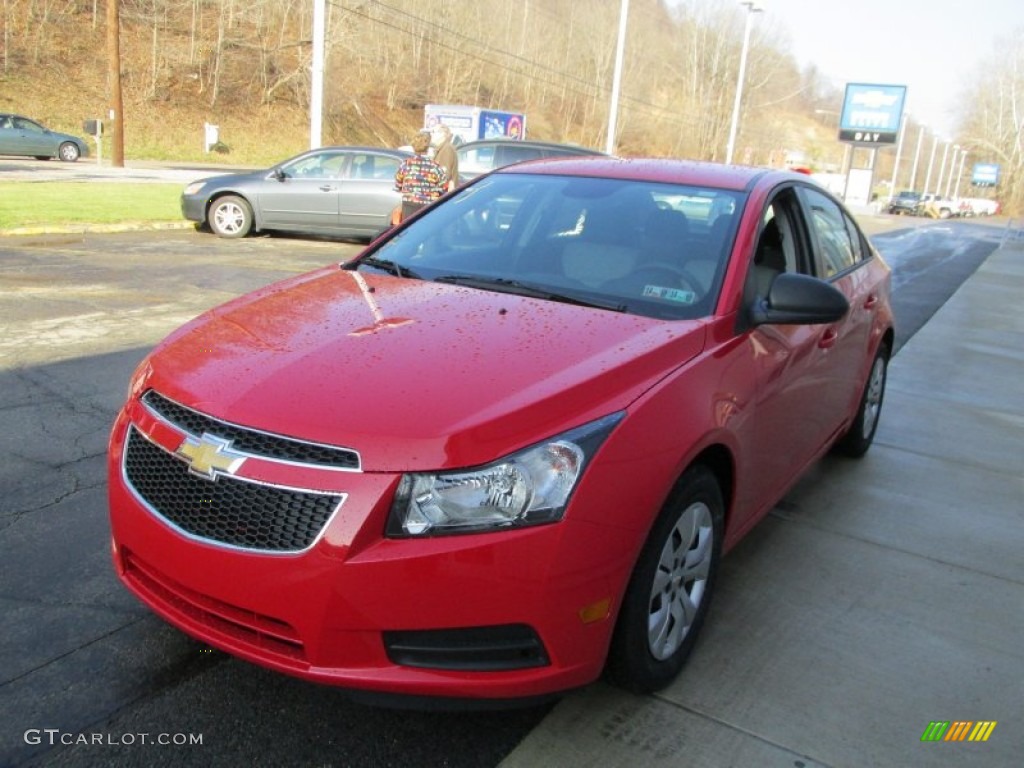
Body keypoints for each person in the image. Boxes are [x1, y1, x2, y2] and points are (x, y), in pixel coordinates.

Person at [393, 132, 448, 222]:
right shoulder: (435, 166)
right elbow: (443, 187)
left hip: (409, 204)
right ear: (427, 147)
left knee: (409, 231)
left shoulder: (406, 164)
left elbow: (398, 184)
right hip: (428, 206)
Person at [430, 123, 459, 191]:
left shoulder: (447, 149)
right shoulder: (442, 148)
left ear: (442, 134)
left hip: (444, 193)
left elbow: (445, 174)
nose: (431, 134)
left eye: (433, 132)